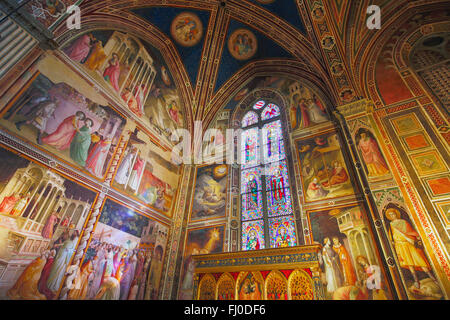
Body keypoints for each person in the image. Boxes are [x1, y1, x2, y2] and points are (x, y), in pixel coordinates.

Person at [385, 207, 437, 289]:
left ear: (396, 214)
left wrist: (412, 237)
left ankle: (433, 278)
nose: (392, 216)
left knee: (419, 260)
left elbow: (410, 232)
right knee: (409, 263)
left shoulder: (403, 222)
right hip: (400, 246)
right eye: (390, 215)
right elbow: (391, 236)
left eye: (393, 214)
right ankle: (416, 280)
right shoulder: (391, 224)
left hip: (408, 243)